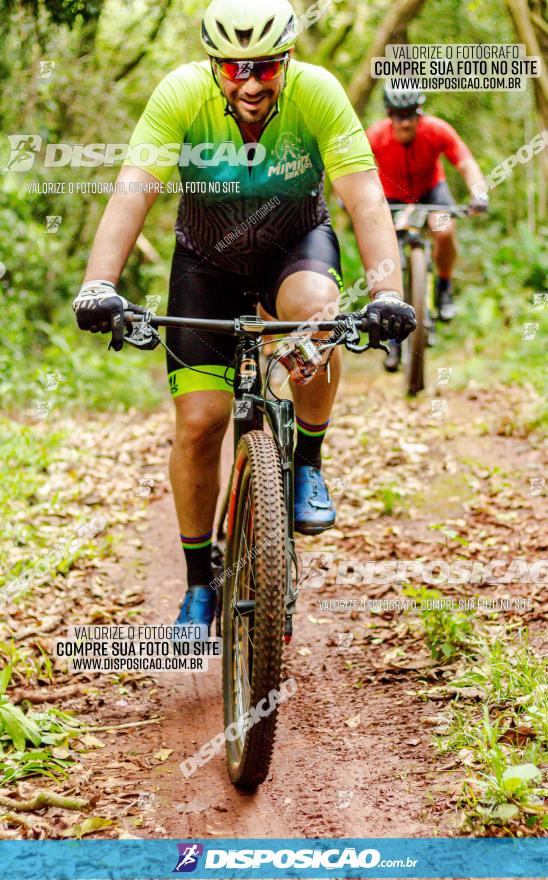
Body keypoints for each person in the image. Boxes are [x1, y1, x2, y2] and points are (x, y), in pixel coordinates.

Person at [73, 0, 416, 628]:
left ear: (287, 58)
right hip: (206, 260)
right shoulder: (179, 94)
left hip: (295, 248)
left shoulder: (318, 93)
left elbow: (365, 199)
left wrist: (388, 292)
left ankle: (307, 462)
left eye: (265, 66)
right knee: (201, 423)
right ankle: (199, 583)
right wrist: (99, 283)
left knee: (317, 319)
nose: (251, 82)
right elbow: (132, 191)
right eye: (234, 69)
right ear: (213, 66)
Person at [366, 87, 487, 372]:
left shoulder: (436, 130)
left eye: (411, 116)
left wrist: (479, 194)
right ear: (389, 116)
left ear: (420, 114)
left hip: (432, 192)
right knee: (386, 255)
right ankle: (392, 340)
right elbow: (353, 171)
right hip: (391, 197)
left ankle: (444, 288)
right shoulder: (374, 136)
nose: (405, 123)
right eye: (399, 116)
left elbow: (466, 162)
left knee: (444, 231)